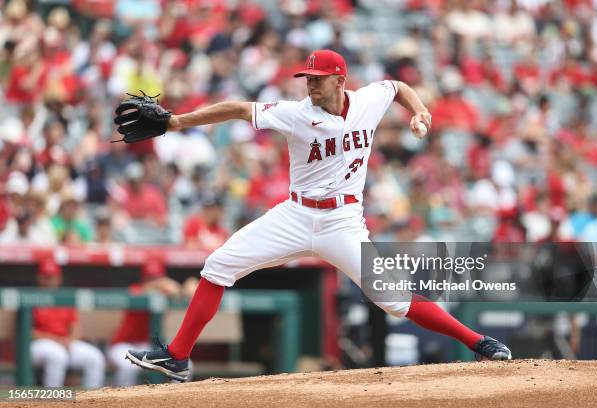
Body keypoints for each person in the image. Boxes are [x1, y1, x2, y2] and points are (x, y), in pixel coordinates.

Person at [125, 49, 511, 382]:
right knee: (218, 265)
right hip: (294, 215)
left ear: (339, 79)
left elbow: (397, 87)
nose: (310, 84)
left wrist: (421, 111)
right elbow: (240, 110)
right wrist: (176, 122)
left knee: (391, 298)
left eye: (319, 78)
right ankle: (177, 356)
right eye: (307, 77)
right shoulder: (296, 113)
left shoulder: (366, 101)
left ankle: (478, 342)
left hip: (342, 222)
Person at [107, 257, 196, 386]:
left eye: (157, 278)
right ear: (144, 279)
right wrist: (159, 284)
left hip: (149, 346)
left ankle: (175, 400)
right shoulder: (135, 290)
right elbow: (141, 293)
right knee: (128, 366)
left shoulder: (165, 294)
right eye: (150, 279)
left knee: (185, 365)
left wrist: (187, 286)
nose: (154, 282)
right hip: (123, 345)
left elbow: (185, 293)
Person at [31, 257, 106, 388]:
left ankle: (92, 401)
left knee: (95, 358)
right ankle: (54, 401)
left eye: (52, 277)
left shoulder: (64, 299)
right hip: (38, 345)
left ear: (58, 278)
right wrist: (58, 341)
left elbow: (75, 327)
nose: (49, 281)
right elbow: (28, 333)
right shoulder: (30, 298)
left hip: (65, 343)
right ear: (39, 278)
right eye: (46, 277)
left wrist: (70, 341)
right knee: (57, 356)